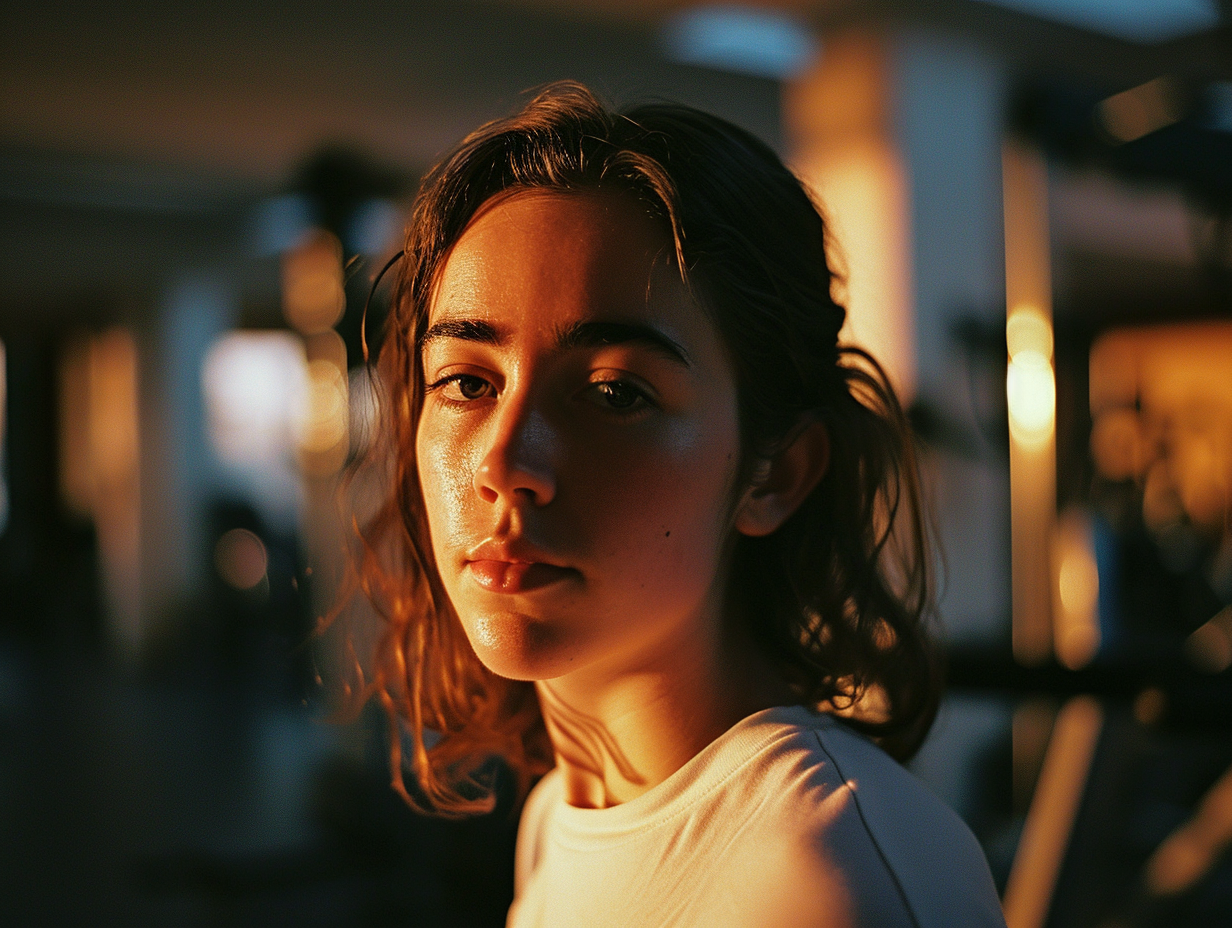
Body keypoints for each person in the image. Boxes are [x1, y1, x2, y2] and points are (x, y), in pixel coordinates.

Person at [348, 81, 1007, 927]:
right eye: (468, 381)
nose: (505, 461)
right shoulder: (559, 817)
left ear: (774, 474)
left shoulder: (831, 872)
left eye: (616, 392)